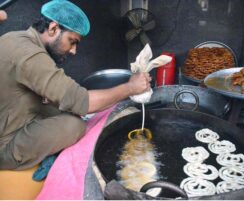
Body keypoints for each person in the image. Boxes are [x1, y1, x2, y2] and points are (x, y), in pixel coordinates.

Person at [0, 0, 151, 170]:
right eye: (72, 41)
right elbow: (84, 102)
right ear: (53, 28)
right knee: (75, 126)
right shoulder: (29, 54)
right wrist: (131, 87)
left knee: (68, 110)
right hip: (5, 144)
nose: (73, 51)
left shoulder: (15, 37)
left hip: (15, 114)